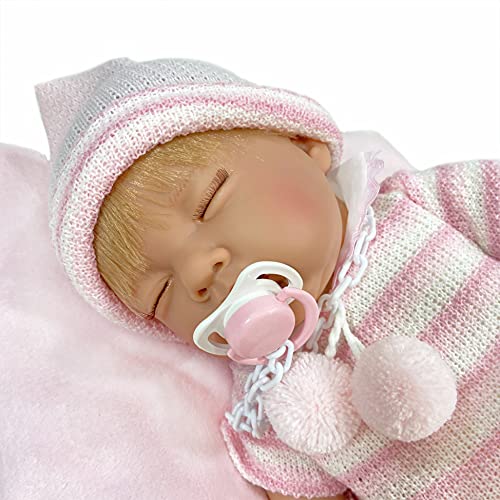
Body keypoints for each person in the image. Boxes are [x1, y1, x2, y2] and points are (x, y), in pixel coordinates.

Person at [35, 56, 499, 500]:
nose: (195, 273)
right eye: (161, 293)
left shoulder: (418, 206)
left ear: (304, 145)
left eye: (208, 202)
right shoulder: (271, 403)